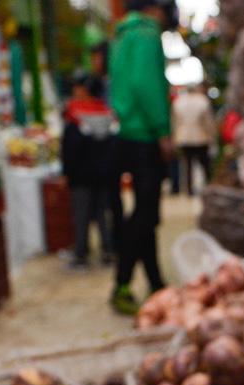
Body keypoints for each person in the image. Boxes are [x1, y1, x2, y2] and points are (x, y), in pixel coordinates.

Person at [107, 0, 174, 316]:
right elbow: (145, 84)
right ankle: (121, 283)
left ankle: (156, 281)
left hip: (125, 133)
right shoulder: (147, 34)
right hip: (144, 135)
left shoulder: (121, 35)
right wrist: (162, 129)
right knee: (145, 214)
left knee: (145, 214)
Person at [60, 75, 117, 270]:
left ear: (85, 89)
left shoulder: (74, 114)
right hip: (103, 173)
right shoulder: (107, 112)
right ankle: (108, 252)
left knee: (81, 215)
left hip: (81, 174)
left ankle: (81, 255)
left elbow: (70, 147)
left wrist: (67, 172)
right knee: (102, 214)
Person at [171, 83, 217, 197]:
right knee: (205, 164)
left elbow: (175, 122)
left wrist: (174, 137)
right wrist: (212, 135)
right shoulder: (202, 101)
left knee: (187, 166)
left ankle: (188, 190)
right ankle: (209, 187)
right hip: (200, 136)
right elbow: (208, 121)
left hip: (184, 137)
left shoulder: (178, 102)